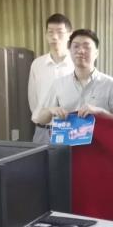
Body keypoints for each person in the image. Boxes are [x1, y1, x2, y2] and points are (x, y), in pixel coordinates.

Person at [33, 29, 113, 126]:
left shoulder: (110, 84)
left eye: (86, 47)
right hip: (66, 136)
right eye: (76, 46)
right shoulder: (58, 84)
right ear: (70, 51)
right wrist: (50, 110)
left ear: (96, 53)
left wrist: (100, 112)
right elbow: (41, 119)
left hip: (100, 136)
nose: (81, 51)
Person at [28, 13, 74, 143]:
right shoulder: (37, 64)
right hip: (42, 131)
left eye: (60, 32)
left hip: (71, 130)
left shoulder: (76, 64)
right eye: (50, 32)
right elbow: (33, 100)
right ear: (46, 35)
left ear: (70, 34)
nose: (54, 37)